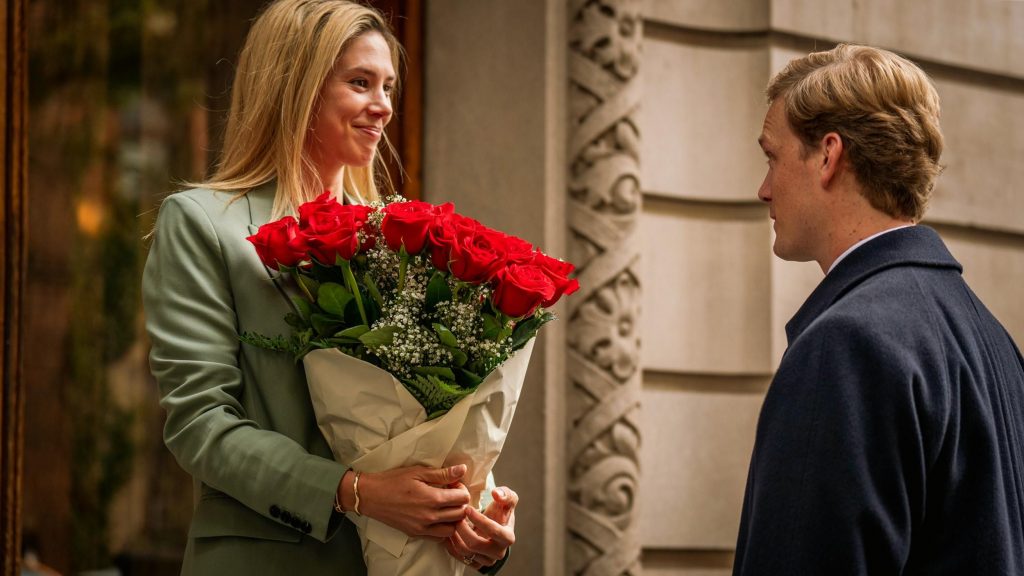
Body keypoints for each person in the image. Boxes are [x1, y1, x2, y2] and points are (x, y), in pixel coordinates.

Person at [143, 1, 516, 574]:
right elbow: (200, 425)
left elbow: (427, 419)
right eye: (360, 82)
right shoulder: (201, 224)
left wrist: (469, 513)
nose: (384, 106)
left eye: (389, 86)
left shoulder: (403, 241)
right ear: (296, 88)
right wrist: (354, 490)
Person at [735, 43, 1024, 575]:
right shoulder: (993, 340)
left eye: (772, 157)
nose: (764, 189)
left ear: (828, 154)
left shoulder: (846, 345)